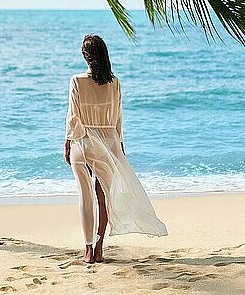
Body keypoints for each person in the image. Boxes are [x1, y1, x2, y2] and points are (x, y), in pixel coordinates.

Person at [64, 34, 168, 263]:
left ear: (85, 55)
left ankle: (88, 251)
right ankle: (99, 249)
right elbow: (118, 119)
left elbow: (73, 118)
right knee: (103, 199)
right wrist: (119, 146)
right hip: (108, 144)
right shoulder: (115, 82)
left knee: (85, 197)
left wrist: (69, 142)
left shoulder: (77, 81)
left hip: (83, 142)